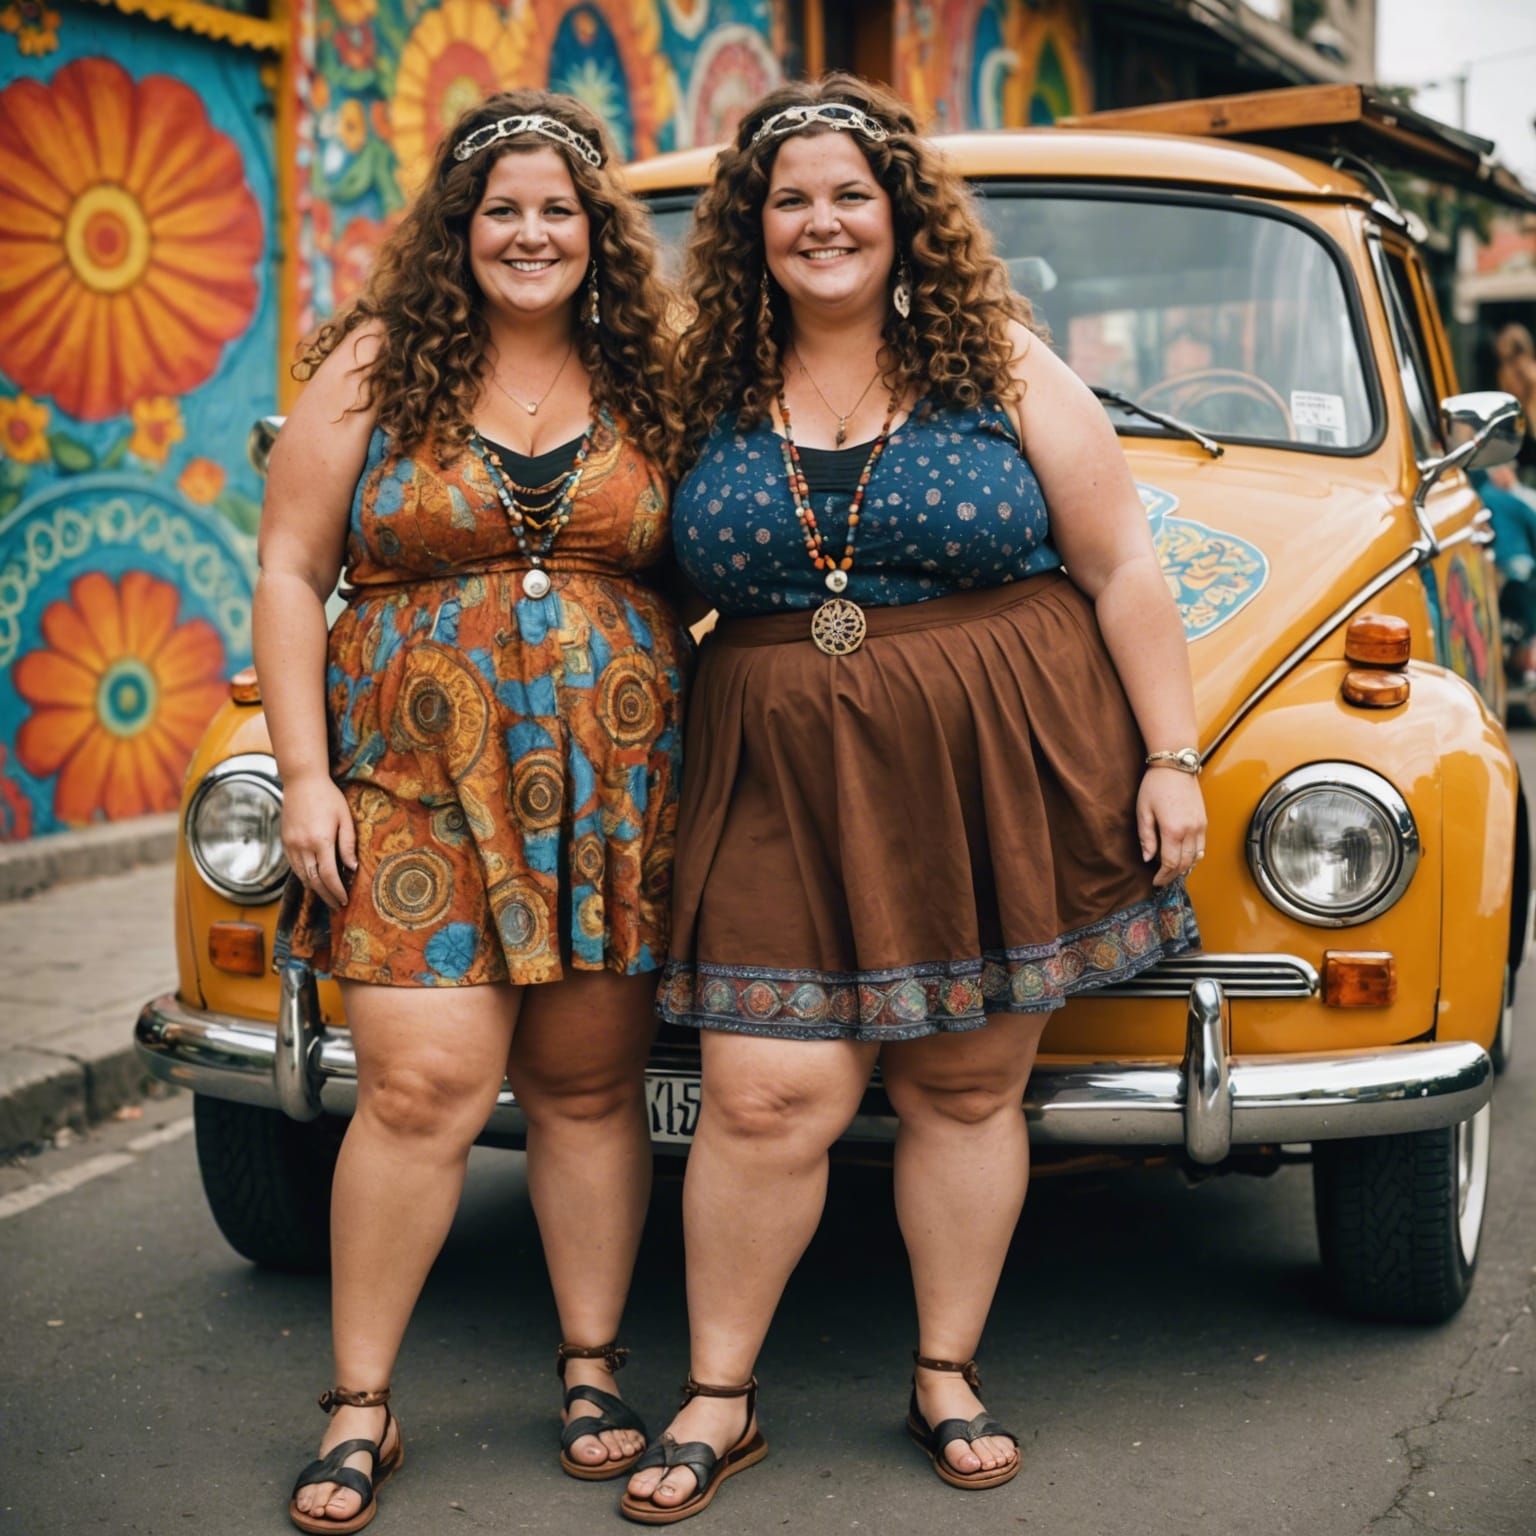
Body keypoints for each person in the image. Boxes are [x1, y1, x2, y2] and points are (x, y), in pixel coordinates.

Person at [621, 75, 1204, 1523]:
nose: (821, 223)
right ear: (753, 227)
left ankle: (944, 1371)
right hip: (771, 769)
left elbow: (1123, 562)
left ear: (900, 217)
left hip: (997, 755)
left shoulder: (998, 363)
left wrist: (1171, 755)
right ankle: (718, 1392)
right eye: (790, 199)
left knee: (964, 1081)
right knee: (764, 1093)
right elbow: (638, 564)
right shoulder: (705, 387)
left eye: (848, 195)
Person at [255, 89, 687, 1531]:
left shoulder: (654, 373)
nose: (531, 232)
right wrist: (306, 774)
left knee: (584, 1088)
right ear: (458, 227)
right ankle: (363, 1400)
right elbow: (286, 568)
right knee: (420, 1091)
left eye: (558, 208)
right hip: (413, 789)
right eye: (501, 207)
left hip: (612, 797)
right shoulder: (375, 369)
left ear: (595, 231)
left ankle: (590, 1367)